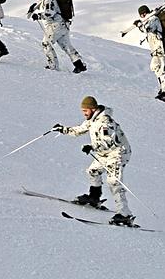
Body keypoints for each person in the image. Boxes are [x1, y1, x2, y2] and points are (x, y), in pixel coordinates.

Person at [53, 95, 135, 225]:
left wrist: (92, 147)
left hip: (118, 153)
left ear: (92, 109)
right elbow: (79, 130)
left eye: (85, 111)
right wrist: (63, 129)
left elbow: (110, 142)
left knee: (113, 182)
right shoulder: (92, 120)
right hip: (104, 153)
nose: (84, 113)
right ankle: (94, 197)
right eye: (83, 111)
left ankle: (125, 214)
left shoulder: (105, 122)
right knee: (92, 171)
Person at [27, 0, 86, 73]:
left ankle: (53, 65)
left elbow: (49, 13)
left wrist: (38, 16)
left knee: (46, 43)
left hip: (55, 25)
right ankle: (79, 65)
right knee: (66, 46)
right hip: (62, 25)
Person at [136, 5, 165, 103]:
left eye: (144, 13)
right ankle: (164, 89)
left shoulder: (154, 19)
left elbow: (148, 28)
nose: (143, 15)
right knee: (155, 67)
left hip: (162, 48)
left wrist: (139, 25)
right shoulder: (149, 20)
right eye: (141, 14)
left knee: (162, 70)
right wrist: (140, 25)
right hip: (156, 50)